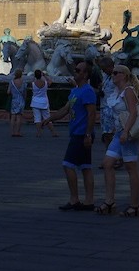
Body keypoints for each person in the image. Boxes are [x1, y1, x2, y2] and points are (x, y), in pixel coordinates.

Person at [43, 60, 97, 211]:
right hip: (77, 133)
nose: (75, 71)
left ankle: (75, 199)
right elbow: (65, 110)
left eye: (79, 70)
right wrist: (49, 119)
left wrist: (88, 134)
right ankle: (89, 201)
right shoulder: (75, 91)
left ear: (86, 74)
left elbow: (92, 114)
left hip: (81, 134)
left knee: (68, 165)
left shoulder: (87, 91)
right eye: (75, 69)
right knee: (86, 167)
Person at [96, 64, 139, 217]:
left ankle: (135, 206)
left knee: (131, 168)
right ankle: (109, 201)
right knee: (108, 163)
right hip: (119, 133)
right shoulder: (117, 92)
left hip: (127, 135)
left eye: (116, 73)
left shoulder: (128, 91)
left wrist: (126, 131)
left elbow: (133, 113)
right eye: (112, 73)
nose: (113, 75)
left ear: (124, 75)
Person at [31, 69, 56, 137]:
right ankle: (53, 132)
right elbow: (50, 81)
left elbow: (33, 79)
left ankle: (39, 132)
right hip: (44, 101)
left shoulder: (33, 83)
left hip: (35, 102)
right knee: (47, 118)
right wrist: (45, 75)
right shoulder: (45, 83)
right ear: (41, 75)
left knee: (37, 118)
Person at [8, 69, 26, 137]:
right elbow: (25, 93)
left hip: (14, 100)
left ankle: (12, 132)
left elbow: (8, 92)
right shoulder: (23, 83)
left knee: (13, 116)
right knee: (19, 117)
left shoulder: (12, 82)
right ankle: (18, 132)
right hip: (21, 100)